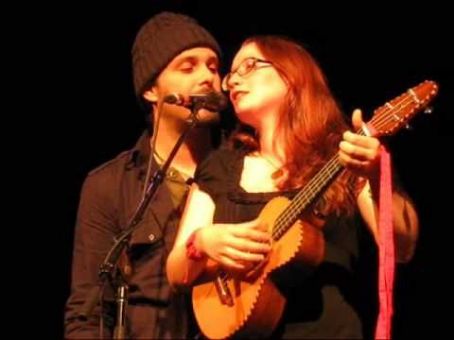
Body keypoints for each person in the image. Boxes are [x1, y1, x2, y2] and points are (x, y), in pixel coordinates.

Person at [166, 35, 419, 339]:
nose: (232, 82)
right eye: (231, 75)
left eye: (249, 66)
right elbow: (175, 272)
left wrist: (376, 175)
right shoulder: (220, 167)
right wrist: (202, 241)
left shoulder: (345, 152)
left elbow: (401, 248)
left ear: (293, 74)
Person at [64, 11, 223, 339]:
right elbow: (88, 313)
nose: (208, 77)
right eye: (188, 66)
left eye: (213, 66)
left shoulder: (245, 167)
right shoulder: (109, 185)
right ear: (151, 90)